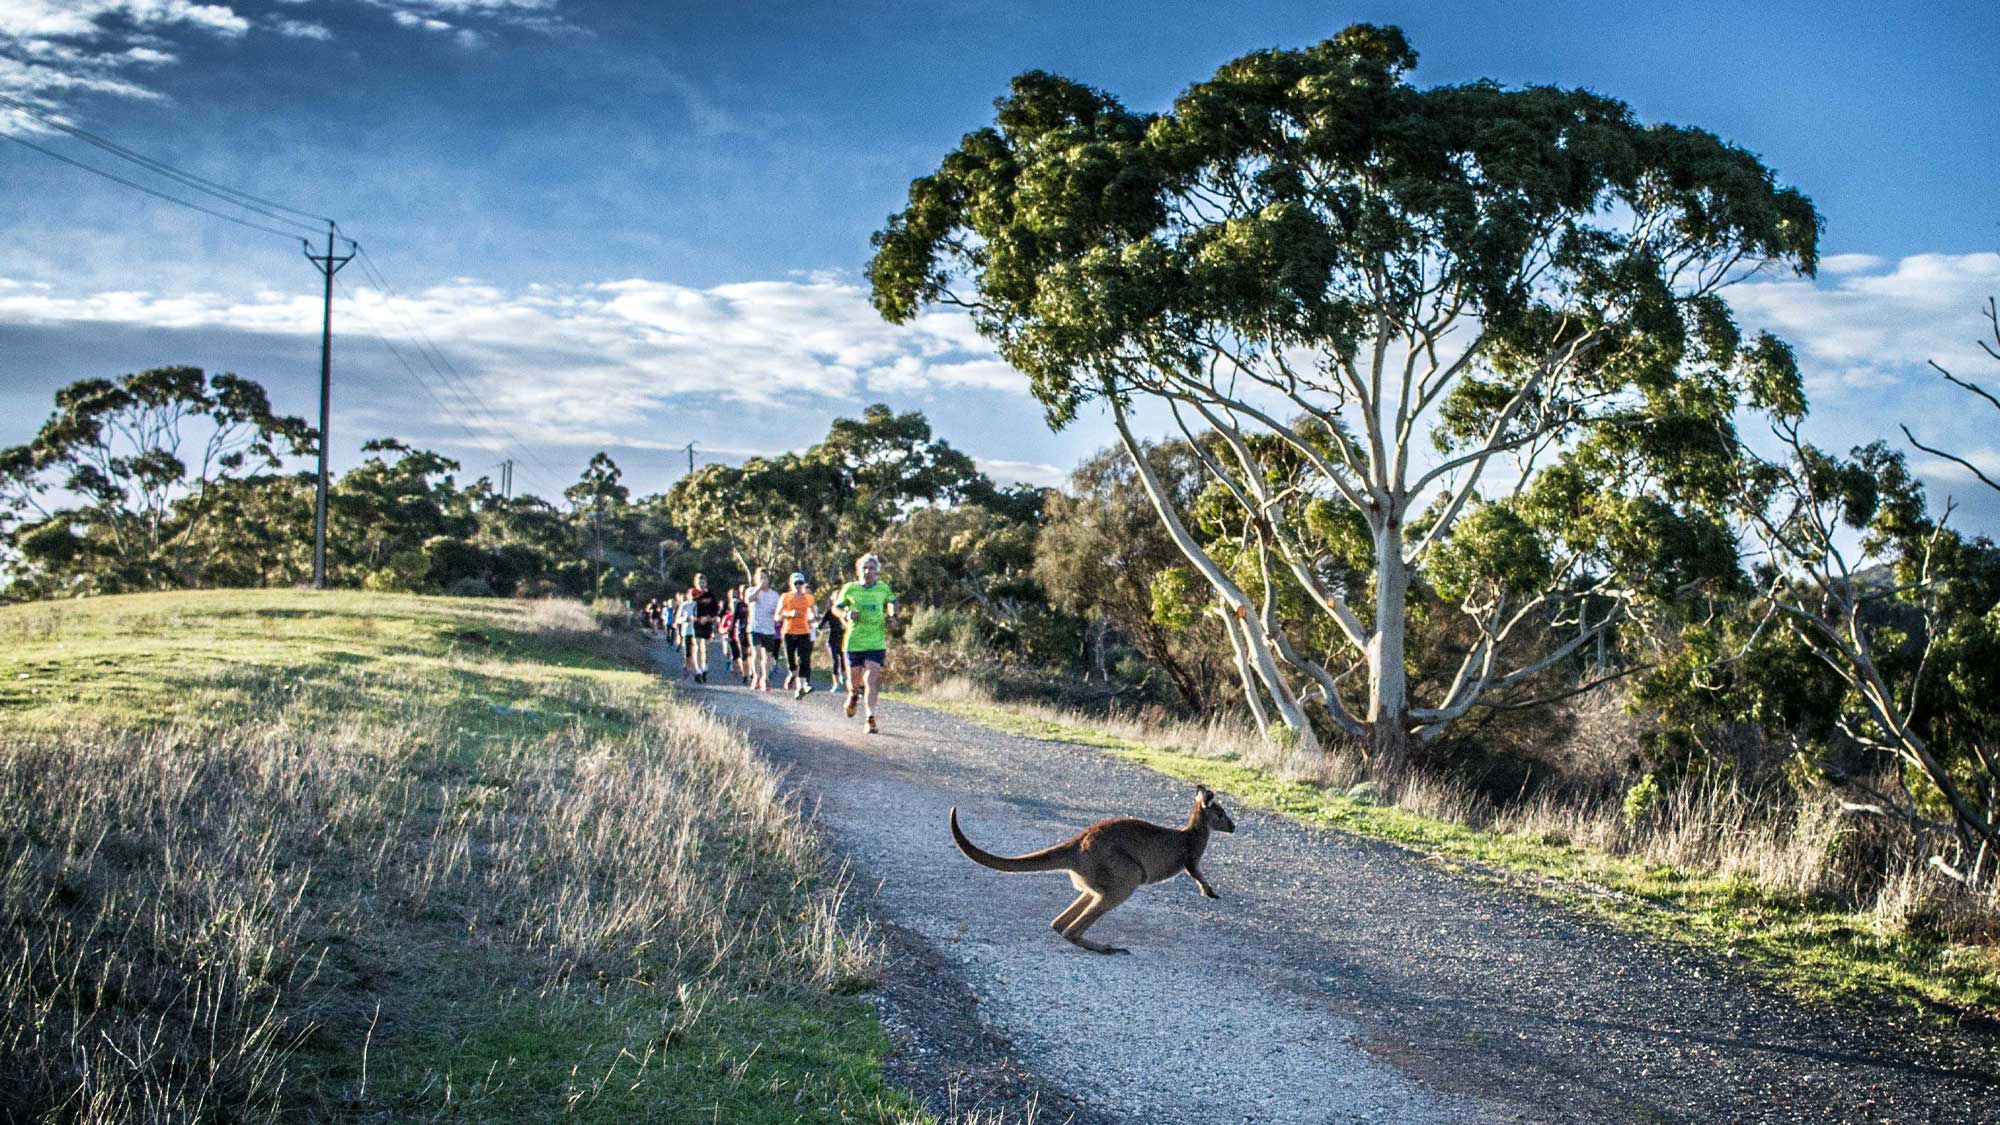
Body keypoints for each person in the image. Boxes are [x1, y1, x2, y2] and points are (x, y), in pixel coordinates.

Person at [833, 553, 897, 734]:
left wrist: (892, 617)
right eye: (864, 568)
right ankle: (853, 695)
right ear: (858, 571)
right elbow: (835, 608)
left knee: (871, 678)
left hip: (875, 642)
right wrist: (846, 614)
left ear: (877, 572)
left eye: (871, 569)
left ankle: (870, 718)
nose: (868, 571)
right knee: (854, 683)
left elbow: (892, 602)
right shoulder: (850, 589)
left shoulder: (883, 588)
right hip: (854, 642)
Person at [778, 571, 817, 699]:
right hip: (789, 631)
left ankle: (801, 686)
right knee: (791, 661)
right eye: (796, 583)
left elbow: (811, 612)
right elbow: (777, 615)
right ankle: (793, 676)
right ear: (791, 584)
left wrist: (812, 619)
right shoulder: (786, 597)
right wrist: (789, 614)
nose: (798, 585)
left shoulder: (808, 598)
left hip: (804, 631)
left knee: (803, 659)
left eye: (801, 583)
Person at [744, 568, 783, 691]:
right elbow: (748, 600)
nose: (763, 580)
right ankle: (756, 677)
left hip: (769, 629)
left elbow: (778, 610)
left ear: (768, 580)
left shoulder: (774, 595)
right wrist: (759, 588)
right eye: (760, 577)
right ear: (756, 579)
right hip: (755, 627)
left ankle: (764, 678)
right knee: (755, 653)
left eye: (765, 578)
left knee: (768, 656)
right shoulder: (751, 591)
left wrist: (778, 615)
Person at [686, 573, 721, 684]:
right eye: (699, 582)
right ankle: (698, 671)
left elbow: (715, 609)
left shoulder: (710, 595)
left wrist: (710, 617)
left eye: (703, 581)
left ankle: (705, 667)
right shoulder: (693, 593)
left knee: (705, 647)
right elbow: (691, 605)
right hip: (697, 623)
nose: (702, 584)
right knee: (696, 646)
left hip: (708, 623)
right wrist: (697, 618)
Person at [817, 595, 847, 694]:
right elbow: (821, 624)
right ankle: (835, 684)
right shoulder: (830, 612)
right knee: (835, 661)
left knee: (843, 660)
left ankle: (843, 676)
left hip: (843, 639)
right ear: (833, 601)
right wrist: (819, 626)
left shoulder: (845, 612)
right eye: (836, 600)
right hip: (832, 639)